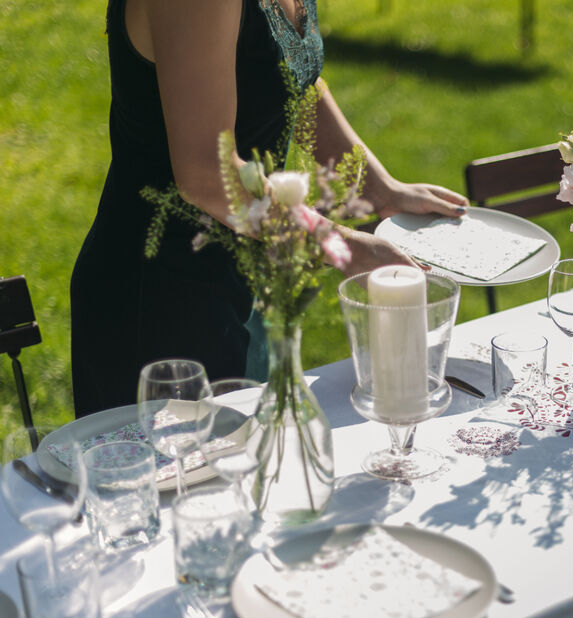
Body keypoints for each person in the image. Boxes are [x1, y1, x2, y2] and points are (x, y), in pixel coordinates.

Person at [70, 0, 468, 417]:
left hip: (240, 279)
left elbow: (289, 76)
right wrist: (343, 247)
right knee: (187, 477)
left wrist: (379, 189)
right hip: (158, 303)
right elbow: (207, 174)